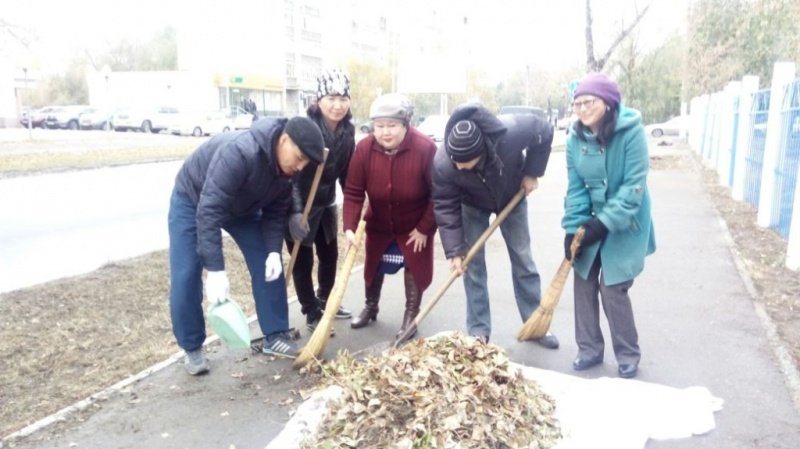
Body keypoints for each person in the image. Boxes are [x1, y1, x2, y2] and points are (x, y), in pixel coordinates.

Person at [168, 115, 324, 375]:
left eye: (306, 162)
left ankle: (275, 334)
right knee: (186, 273)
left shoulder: (288, 169)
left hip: (243, 207)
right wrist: (216, 269)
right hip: (194, 199)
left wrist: (274, 251)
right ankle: (192, 345)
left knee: (266, 261)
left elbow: (275, 212)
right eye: (299, 157)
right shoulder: (240, 152)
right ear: (284, 140)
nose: (300, 166)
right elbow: (209, 210)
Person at [431, 102, 559, 349]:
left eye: (464, 163)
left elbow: (544, 130)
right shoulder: (443, 162)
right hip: (471, 205)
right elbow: (445, 205)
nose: (458, 167)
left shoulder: (511, 133)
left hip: (511, 195)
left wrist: (533, 172)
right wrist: (455, 251)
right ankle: (479, 332)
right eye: (455, 162)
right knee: (472, 265)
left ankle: (535, 325)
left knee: (523, 258)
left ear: (481, 152)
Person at [562, 72, 655, 379]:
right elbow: (576, 189)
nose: (582, 109)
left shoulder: (631, 133)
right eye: (577, 104)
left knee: (612, 286)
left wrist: (602, 224)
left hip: (625, 221)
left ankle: (628, 354)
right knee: (583, 277)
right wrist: (572, 229)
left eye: (589, 102)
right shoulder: (575, 138)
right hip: (589, 219)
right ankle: (588, 349)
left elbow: (632, 190)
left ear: (608, 103)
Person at [342, 94, 437, 341]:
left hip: (415, 224)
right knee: (374, 266)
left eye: (392, 125)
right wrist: (349, 228)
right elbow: (353, 191)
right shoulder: (363, 149)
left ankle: (410, 317)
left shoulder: (425, 148)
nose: (385, 132)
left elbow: (439, 194)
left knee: (413, 266)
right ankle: (371, 307)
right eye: (379, 126)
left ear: (405, 124)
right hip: (380, 223)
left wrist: (425, 228)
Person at [286, 69, 355, 333]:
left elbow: (348, 178)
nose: (337, 105)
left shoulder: (347, 133)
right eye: (331, 98)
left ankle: (326, 301)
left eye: (343, 98)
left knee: (330, 255)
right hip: (299, 205)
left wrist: (353, 207)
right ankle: (310, 310)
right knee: (302, 260)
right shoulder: (306, 128)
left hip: (326, 203)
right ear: (319, 100)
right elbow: (289, 175)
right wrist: (293, 213)